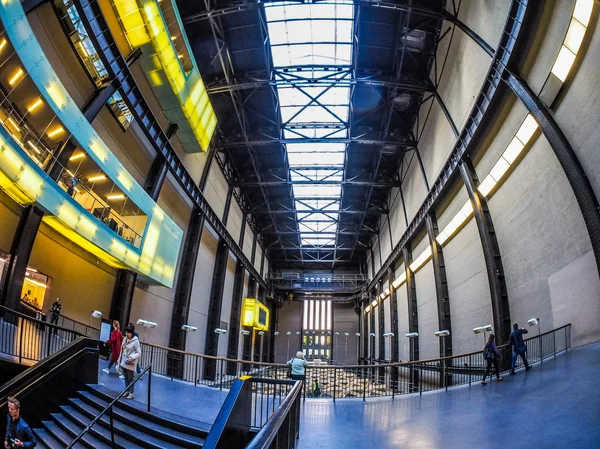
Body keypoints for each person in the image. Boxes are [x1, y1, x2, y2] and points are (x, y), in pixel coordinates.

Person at [118, 324, 141, 399]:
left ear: (131, 333)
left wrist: (132, 357)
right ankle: (127, 390)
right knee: (126, 377)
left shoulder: (136, 341)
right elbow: (122, 350)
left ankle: (131, 393)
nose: (126, 334)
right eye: (126, 332)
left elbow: (139, 353)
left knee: (131, 378)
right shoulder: (125, 339)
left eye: (128, 332)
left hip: (131, 362)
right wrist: (119, 360)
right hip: (124, 361)